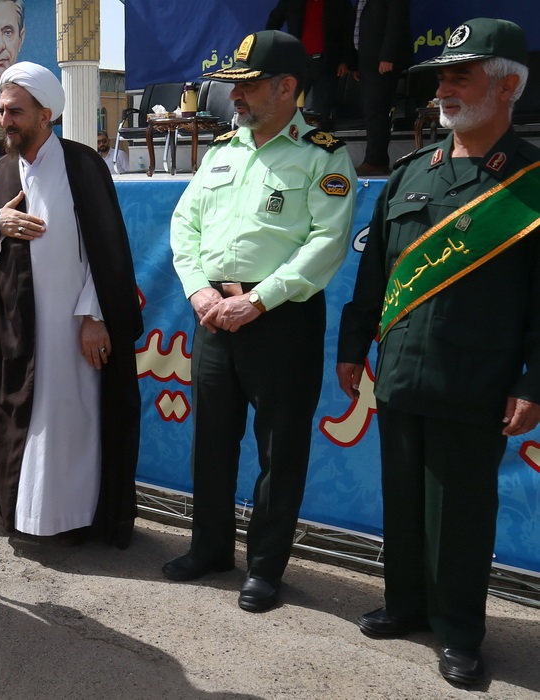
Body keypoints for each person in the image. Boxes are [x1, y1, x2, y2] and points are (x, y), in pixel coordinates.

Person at [336, 18, 539, 686]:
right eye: (441, 78)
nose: (444, 89)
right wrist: (353, 346)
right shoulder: (409, 174)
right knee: (403, 498)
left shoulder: (532, 184)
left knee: (460, 511)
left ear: (508, 87)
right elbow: (375, 273)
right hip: (401, 369)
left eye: (462, 76)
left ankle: (458, 630)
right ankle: (406, 604)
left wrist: (534, 382)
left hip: (475, 377)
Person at [163, 31, 356, 612]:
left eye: (248, 86)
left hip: (281, 320)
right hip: (213, 317)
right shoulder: (222, 150)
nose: (235, 97)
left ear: (287, 87)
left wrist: (259, 300)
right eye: (234, 86)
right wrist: (199, 292)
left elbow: (326, 243)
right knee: (211, 442)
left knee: (281, 450)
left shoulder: (323, 155)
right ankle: (210, 549)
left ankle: (266, 568)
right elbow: (185, 225)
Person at [0, 62, 143, 548]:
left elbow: (108, 250)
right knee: (29, 419)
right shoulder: (3, 170)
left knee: (74, 420)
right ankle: (29, 516)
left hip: (74, 328)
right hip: (21, 329)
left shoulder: (82, 166)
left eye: (15, 112)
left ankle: (77, 519)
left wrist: (94, 316)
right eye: (2, 111)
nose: (5, 121)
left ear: (46, 115)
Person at [265, 0, 354, 131]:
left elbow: (347, 32)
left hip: (327, 64)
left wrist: (345, 61)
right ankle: (289, 141)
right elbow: (273, 22)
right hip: (298, 64)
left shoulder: (339, 2)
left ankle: (318, 142)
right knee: (289, 109)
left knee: (321, 113)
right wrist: (278, 50)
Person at [350, 0, 411, 176]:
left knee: (377, 109)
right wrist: (355, 64)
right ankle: (376, 160)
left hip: (381, 61)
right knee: (371, 110)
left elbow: (396, 23)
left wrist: (388, 57)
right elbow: (358, 27)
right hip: (366, 61)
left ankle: (375, 162)